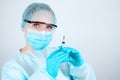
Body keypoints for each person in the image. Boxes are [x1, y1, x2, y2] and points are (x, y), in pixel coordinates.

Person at [1, 3, 96, 80]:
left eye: (49, 27)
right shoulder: (12, 67)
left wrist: (80, 67)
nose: (43, 32)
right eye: (37, 25)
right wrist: (47, 74)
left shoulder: (60, 56)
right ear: (24, 25)